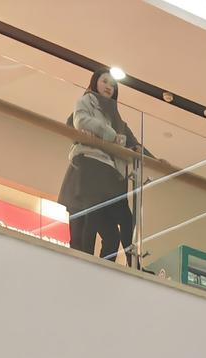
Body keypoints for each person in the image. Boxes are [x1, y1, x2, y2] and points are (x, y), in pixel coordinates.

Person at [58, 70, 139, 262]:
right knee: (88, 222)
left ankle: (125, 262)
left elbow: (134, 143)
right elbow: (79, 123)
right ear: (95, 82)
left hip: (108, 174)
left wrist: (156, 160)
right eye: (104, 81)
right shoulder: (86, 102)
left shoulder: (117, 118)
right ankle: (88, 263)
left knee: (117, 226)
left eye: (113, 84)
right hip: (88, 168)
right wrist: (110, 136)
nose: (109, 86)